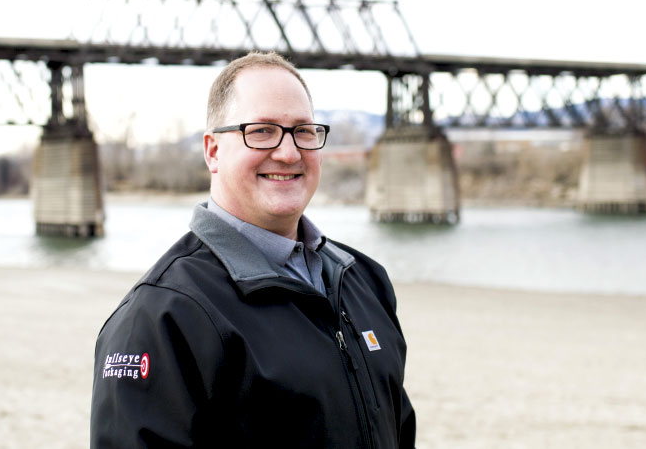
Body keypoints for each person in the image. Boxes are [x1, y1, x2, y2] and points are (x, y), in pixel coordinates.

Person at [90, 52, 416, 448]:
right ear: (212, 151)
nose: (288, 152)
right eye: (261, 131)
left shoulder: (365, 280)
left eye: (304, 131)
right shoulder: (162, 317)